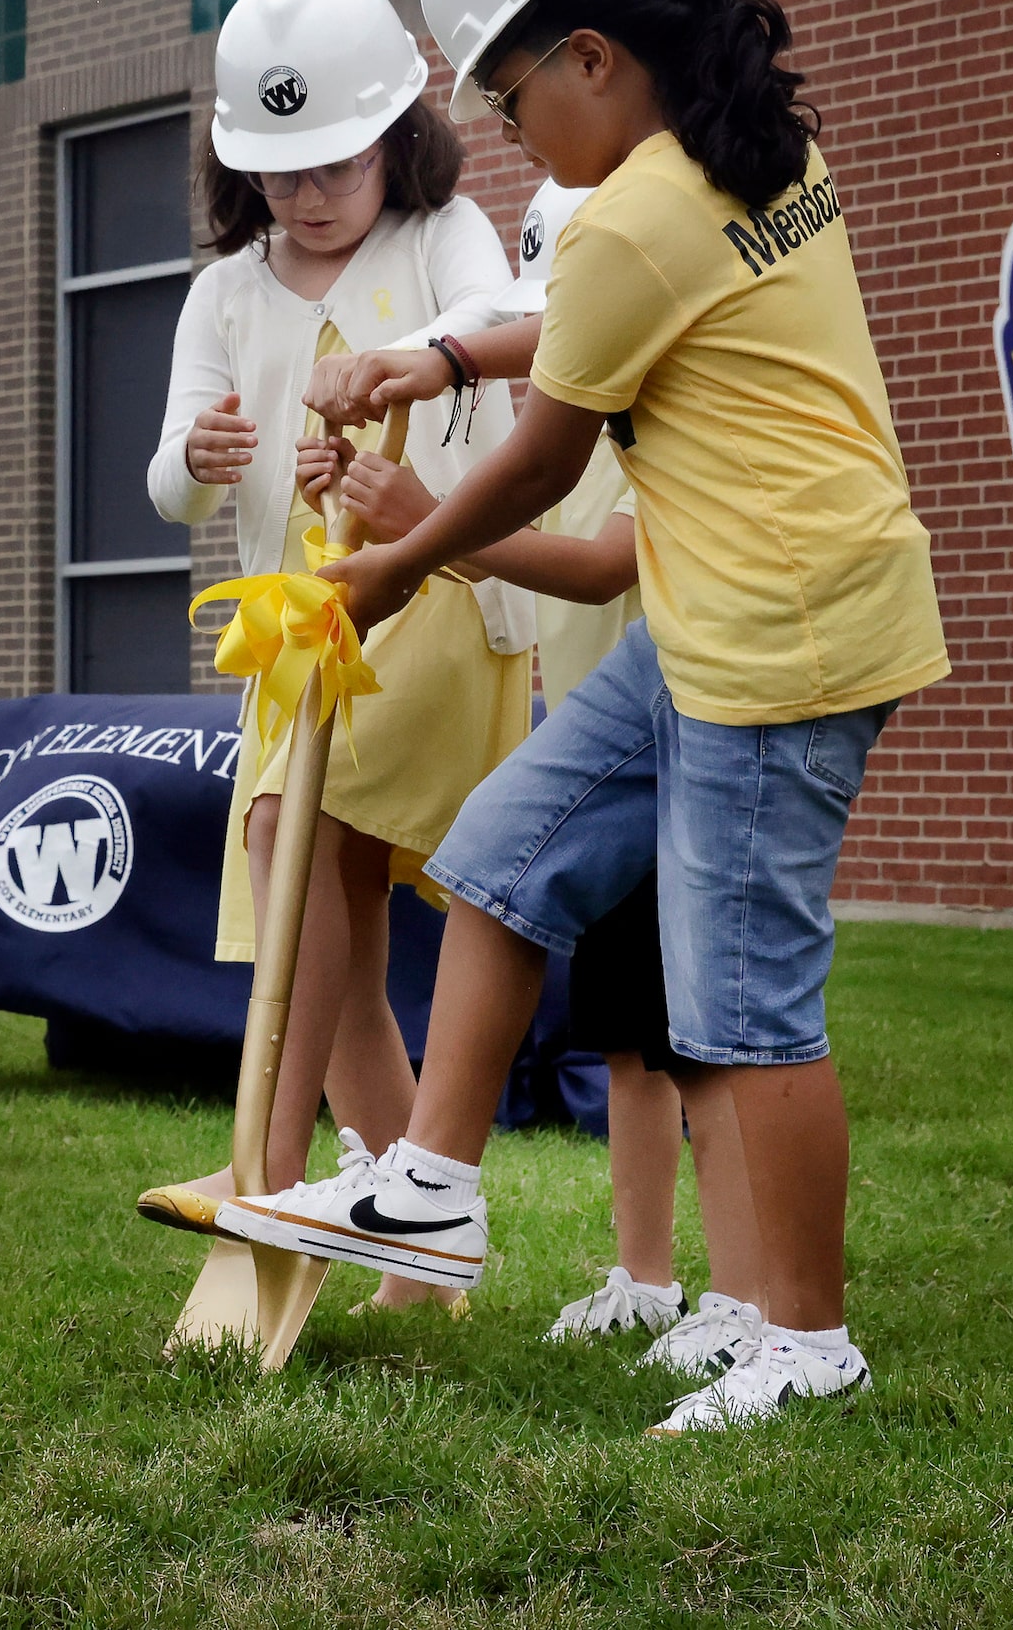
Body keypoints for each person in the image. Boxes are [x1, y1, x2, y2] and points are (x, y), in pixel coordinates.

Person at [214, 0, 949, 1433]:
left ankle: (805, 1339)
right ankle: (432, 1187)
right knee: (502, 844)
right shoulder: (749, 145)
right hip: (715, 612)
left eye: (505, 95)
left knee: (745, 1003)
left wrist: (392, 570)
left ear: (594, 59)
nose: (498, 132)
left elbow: (544, 453)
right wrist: (436, 352)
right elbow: (580, 313)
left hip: (783, 639)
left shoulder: (634, 222)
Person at [134, 0, 535, 1315]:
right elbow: (170, 486)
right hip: (286, 641)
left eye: (338, 160)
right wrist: (197, 452)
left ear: (399, 133)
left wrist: (398, 360)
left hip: (427, 610)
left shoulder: (442, 237)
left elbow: (496, 326)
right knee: (338, 943)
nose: (310, 194)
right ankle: (413, 1247)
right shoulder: (223, 294)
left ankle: (271, 1165)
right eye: (279, 168)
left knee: (288, 851)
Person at [325, 180, 757, 1361]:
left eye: (555, 331)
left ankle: (745, 1300)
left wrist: (433, 528)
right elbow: (521, 574)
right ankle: (646, 1274)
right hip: (602, 754)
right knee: (623, 1034)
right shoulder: (563, 435)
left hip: (683, 754)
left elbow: (604, 565)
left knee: (701, 1036)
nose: (536, 363)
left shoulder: (650, 423)